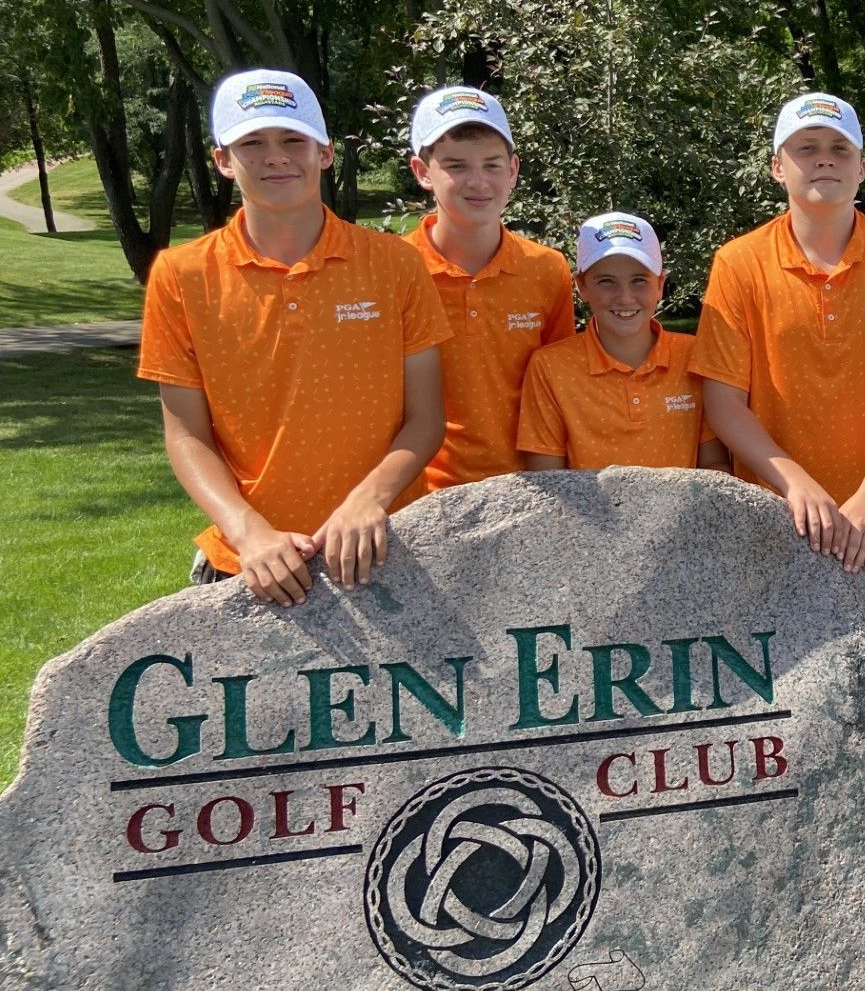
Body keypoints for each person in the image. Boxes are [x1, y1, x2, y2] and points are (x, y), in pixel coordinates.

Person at [138, 68, 450, 605]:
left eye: (292, 139)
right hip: (248, 565)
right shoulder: (180, 274)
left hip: (388, 548)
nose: (275, 156)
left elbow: (426, 418)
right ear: (223, 161)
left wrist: (367, 501)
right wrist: (248, 531)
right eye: (252, 143)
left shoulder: (395, 264)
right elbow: (186, 436)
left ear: (324, 152)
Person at [690, 93, 865, 616]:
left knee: (860, 684)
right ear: (777, 167)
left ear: (862, 169)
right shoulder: (739, 262)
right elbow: (723, 401)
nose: (824, 158)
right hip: (767, 518)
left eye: (839, 148)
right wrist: (797, 485)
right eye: (806, 148)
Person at [402, 85, 573, 493]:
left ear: (513, 169)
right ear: (423, 172)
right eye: (456, 166)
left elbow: (560, 387)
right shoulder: (394, 269)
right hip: (420, 498)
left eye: (492, 165)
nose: (478, 181)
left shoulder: (546, 269)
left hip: (531, 491)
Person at [518, 213, 728, 471]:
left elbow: (714, 463)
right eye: (606, 282)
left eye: (639, 280)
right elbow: (548, 478)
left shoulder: (693, 355)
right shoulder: (550, 368)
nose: (625, 297)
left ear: (660, 284)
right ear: (582, 286)